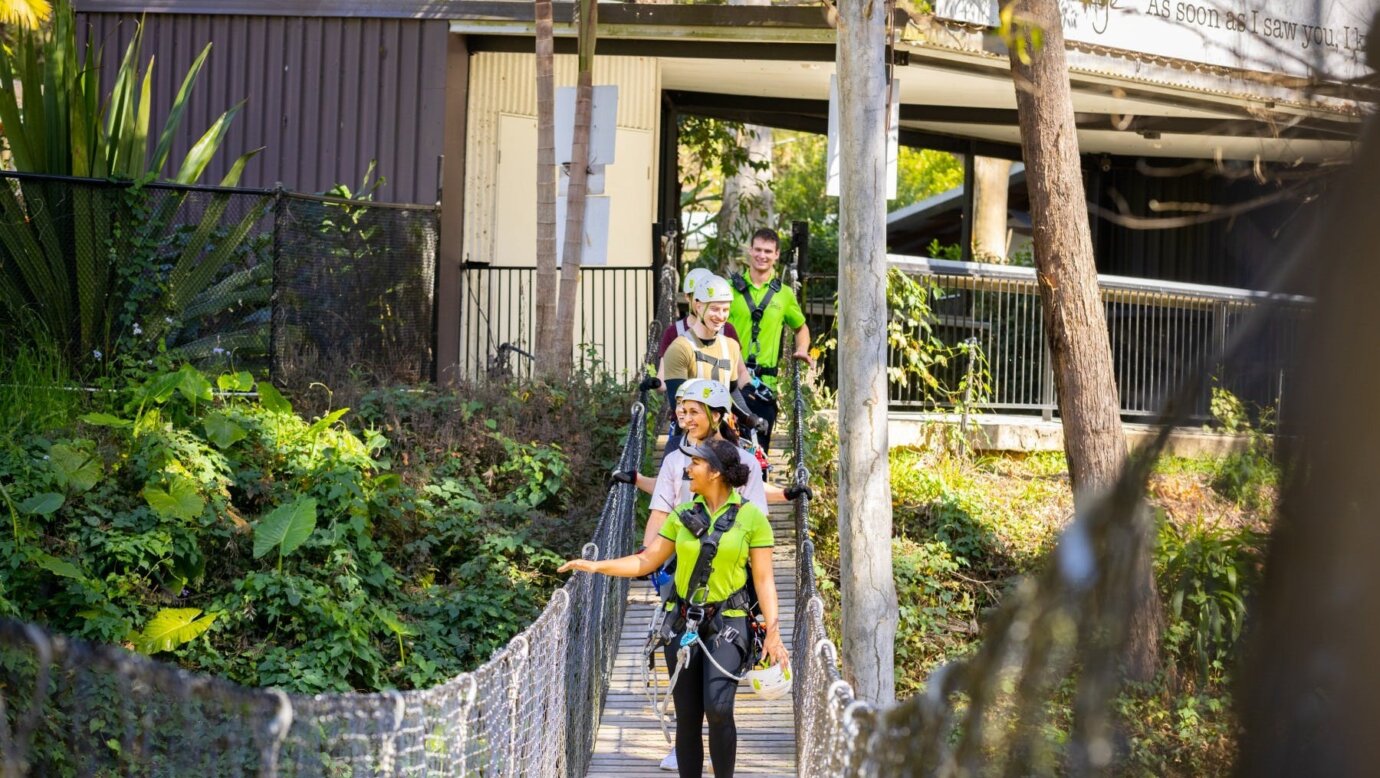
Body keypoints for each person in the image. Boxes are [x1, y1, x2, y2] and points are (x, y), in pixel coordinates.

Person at [561, 437, 790, 778]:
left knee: (719, 707)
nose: (687, 469)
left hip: (730, 621)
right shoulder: (683, 515)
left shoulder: (752, 518)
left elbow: (764, 579)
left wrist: (773, 632)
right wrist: (596, 567)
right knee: (688, 716)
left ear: (714, 472)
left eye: (695, 463)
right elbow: (646, 561)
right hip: (682, 624)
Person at [727, 229, 814, 453]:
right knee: (728, 452)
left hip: (764, 387)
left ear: (776, 255)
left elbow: (801, 327)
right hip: (731, 381)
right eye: (757, 249)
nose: (762, 255)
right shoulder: (728, 290)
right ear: (750, 251)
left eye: (768, 251)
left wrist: (802, 348)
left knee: (759, 453)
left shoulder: (784, 294)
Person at [656, 276, 754, 450]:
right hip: (691, 438)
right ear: (699, 306)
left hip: (724, 435)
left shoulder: (730, 346)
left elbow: (732, 391)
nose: (721, 316)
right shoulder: (679, 348)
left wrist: (749, 417)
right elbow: (679, 405)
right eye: (715, 309)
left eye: (725, 310)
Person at [657, 267, 741, 362]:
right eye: (698, 295)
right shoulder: (673, 332)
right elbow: (663, 372)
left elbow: (740, 370)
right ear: (687, 297)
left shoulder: (727, 330)